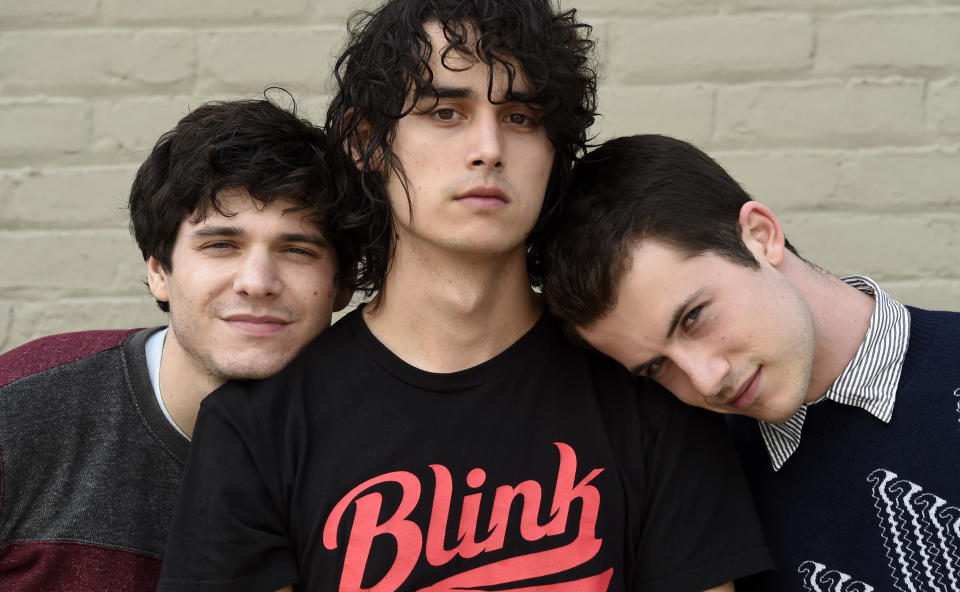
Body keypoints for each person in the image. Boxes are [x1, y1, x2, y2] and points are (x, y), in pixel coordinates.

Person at [157, 2, 774, 591]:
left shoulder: (649, 400)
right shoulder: (259, 427)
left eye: (522, 118)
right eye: (445, 112)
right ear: (366, 140)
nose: (489, 149)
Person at [541, 133, 960, 591]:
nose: (705, 380)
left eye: (693, 318)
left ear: (761, 236)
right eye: (657, 367)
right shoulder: (697, 482)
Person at [0, 98, 353, 592]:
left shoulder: (383, 456)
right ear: (158, 271)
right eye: (220, 245)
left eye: (297, 249)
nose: (257, 282)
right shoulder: (19, 413)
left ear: (342, 285)